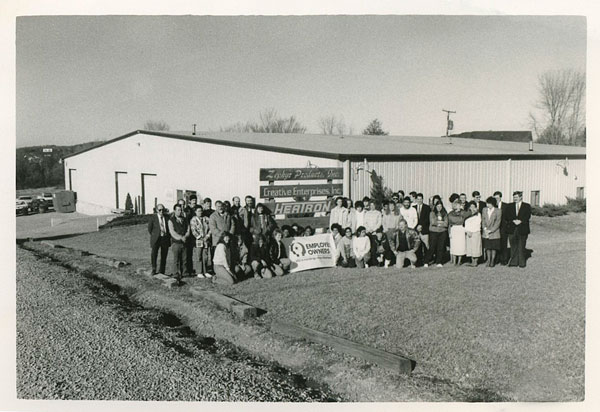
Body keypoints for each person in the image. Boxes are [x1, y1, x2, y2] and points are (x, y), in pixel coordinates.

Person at [505, 191, 531, 268]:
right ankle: (514, 262)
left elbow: (527, 216)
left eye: (516, 197)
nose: (515, 199)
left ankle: (522, 262)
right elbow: (506, 216)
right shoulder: (509, 206)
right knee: (513, 245)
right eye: (514, 197)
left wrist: (521, 221)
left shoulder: (526, 206)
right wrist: (513, 220)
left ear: (521, 197)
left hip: (522, 228)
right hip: (512, 228)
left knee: (521, 245)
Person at [168, 203, 190, 280]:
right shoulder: (171, 220)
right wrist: (180, 237)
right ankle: (176, 273)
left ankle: (184, 272)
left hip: (184, 242)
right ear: (174, 211)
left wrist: (186, 236)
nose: (180, 211)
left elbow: (188, 229)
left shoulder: (185, 219)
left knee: (184, 259)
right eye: (178, 210)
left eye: (181, 210)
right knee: (176, 259)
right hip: (176, 243)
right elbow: (172, 232)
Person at [147, 203, 170, 275]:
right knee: (154, 254)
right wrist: (155, 235)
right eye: (160, 210)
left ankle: (162, 270)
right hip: (156, 238)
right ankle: (154, 269)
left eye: (163, 210)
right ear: (157, 210)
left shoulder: (167, 217)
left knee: (164, 255)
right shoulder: (153, 218)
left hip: (165, 238)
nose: (161, 211)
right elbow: (149, 229)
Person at [424, 201, 448, 267]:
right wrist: (441, 223)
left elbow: (446, 224)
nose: (439, 208)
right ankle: (426, 261)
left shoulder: (445, 213)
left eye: (440, 206)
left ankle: (439, 262)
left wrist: (438, 223)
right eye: (438, 206)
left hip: (442, 232)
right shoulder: (432, 213)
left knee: (440, 247)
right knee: (432, 247)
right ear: (435, 206)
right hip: (433, 232)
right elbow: (432, 222)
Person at [190, 205, 212, 278]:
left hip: (206, 240)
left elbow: (210, 228)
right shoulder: (193, 220)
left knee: (205, 256)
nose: (200, 212)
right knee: (198, 256)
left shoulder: (206, 218)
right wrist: (200, 237)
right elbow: (193, 230)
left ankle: (205, 271)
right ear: (195, 212)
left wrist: (207, 236)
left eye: (201, 211)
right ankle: (199, 272)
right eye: (199, 211)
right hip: (198, 240)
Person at [481, 196, 502, 267]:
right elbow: (483, 220)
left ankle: (492, 260)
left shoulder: (498, 210)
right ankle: (488, 260)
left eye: (489, 203)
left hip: (494, 232)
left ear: (493, 203)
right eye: (487, 203)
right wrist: (485, 229)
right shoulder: (484, 210)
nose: (487, 205)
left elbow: (497, 222)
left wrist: (491, 230)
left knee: (493, 247)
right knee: (487, 247)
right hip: (486, 231)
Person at [493, 191, 510, 265]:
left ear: (500, 197)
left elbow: (508, 216)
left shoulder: (506, 206)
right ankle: (496, 259)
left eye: (497, 198)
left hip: (503, 227)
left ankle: (504, 259)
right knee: (496, 243)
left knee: (503, 243)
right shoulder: (492, 206)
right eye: (495, 198)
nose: (496, 199)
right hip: (495, 228)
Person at [448, 200, 466, 265]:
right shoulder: (450, 213)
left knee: (460, 245)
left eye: (459, 205)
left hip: (461, 229)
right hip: (453, 229)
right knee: (454, 245)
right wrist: (449, 232)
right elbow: (449, 223)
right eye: (456, 205)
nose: (457, 206)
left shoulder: (463, 212)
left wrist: (459, 219)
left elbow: (462, 220)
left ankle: (459, 261)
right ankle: (454, 261)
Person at [464, 202, 482, 267]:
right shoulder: (467, 214)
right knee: (470, 247)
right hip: (468, 233)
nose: (472, 208)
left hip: (475, 232)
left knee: (476, 247)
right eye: (471, 206)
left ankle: (475, 262)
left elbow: (477, 223)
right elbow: (465, 223)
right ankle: (472, 261)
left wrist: (471, 231)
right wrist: (467, 231)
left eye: (473, 206)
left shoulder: (478, 214)